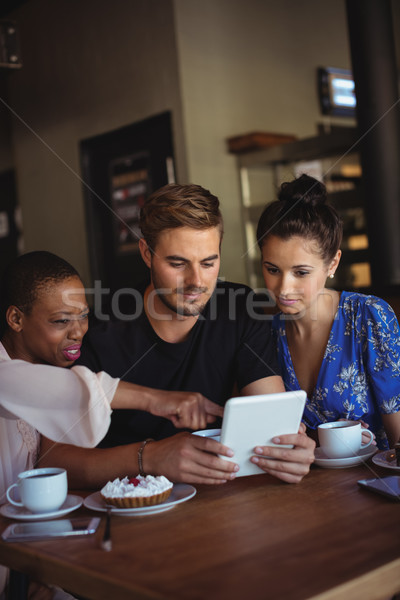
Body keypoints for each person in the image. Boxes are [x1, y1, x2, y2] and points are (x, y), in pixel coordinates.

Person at [39, 183, 315, 487]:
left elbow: (270, 416)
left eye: (209, 263)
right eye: (177, 263)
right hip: (126, 510)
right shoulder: (100, 330)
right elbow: (51, 457)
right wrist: (150, 458)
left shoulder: (240, 309)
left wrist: (289, 448)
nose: (196, 281)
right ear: (147, 253)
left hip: (218, 503)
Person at [0, 250, 223, 599]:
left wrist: (36, 569)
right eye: (60, 321)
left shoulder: (50, 369)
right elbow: (67, 390)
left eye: (83, 317)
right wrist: (159, 400)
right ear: (15, 318)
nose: (78, 333)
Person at [256, 173, 400, 450]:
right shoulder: (266, 332)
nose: (284, 288)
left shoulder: (369, 317)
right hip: (305, 487)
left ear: (333, 264)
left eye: (301, 272)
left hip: (378, 482)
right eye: (272, 269)